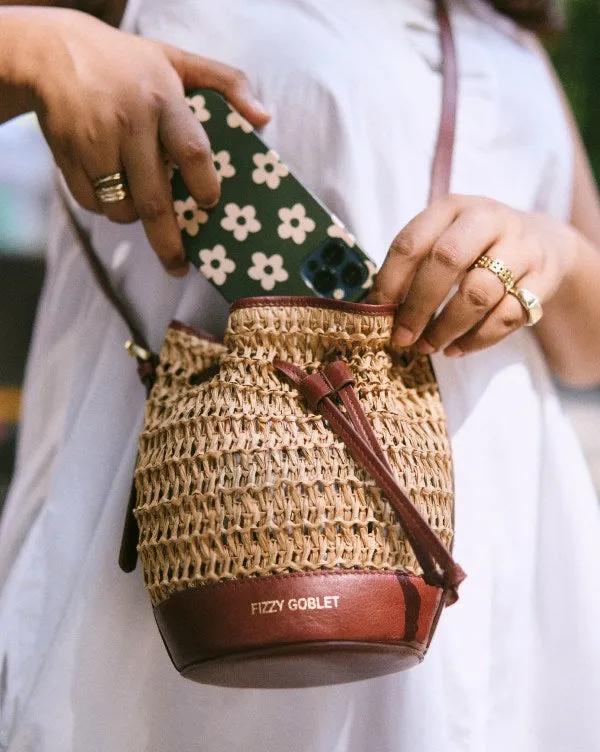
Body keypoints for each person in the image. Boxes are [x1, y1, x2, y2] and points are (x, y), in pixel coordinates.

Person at [1, 0, 599, 749]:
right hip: (212, 536)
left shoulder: (504, 32)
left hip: (497, 569)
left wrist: (557, 255)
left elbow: (589, 347)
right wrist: (36, 44)